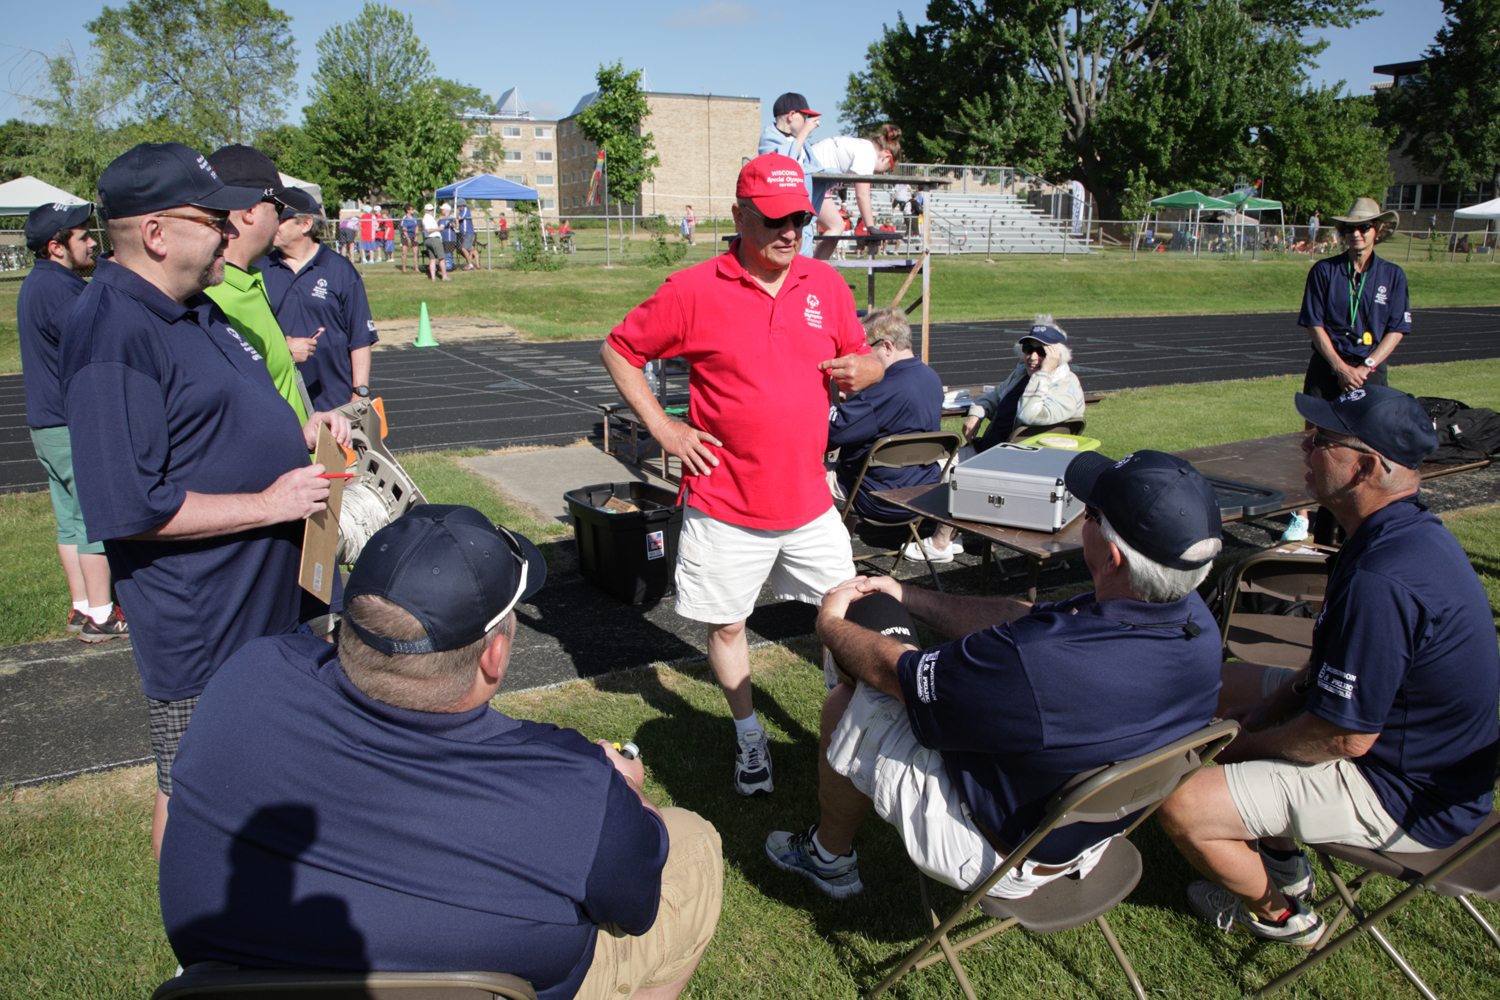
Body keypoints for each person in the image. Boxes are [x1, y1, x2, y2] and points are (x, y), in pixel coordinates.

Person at [159, 505, 723, 1000]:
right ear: (493, 657)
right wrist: (627, 797)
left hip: (243, 982)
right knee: (694, 843)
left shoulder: (245, 680)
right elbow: (632, 905)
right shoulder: (577, 789)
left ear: (348, 626)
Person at [61, 142, 352, 856]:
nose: (230, 231)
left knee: (267, 771)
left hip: (269, 602)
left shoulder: (194, 308)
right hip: (205, 625)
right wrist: (270, 504)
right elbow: (129, 506)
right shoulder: (114, 333)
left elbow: (224, 417)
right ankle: (199, 947)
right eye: (213, 219)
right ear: (155, 234)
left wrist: (307, 429)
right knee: (194, 783)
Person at [766, 449, 1224, 899]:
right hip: (1088, 831)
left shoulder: (1037, 663)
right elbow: (1029, 616)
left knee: (849, 704)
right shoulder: (1196, 624)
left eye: (1091, 513)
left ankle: (828, 857)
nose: (1083, 516)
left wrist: (829, 625)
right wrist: (909, 596)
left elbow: (897, 672)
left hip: (1002, 853)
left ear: (1112, 557)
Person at [1159, 386, 1498, 947]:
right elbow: (1333, 668)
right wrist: (1269, 707)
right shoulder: (1396, 532)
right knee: (1214, 682)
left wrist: (1243, 745)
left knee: (1183, 799)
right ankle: (1285, 861)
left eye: (1321, 440)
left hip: (1406, 795)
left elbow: (1344, 738)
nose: (1304, 447)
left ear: (1364, 466)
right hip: (1404, 751)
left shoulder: (1382, 579)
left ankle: (1279, 914)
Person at [601, 153, 883, 796]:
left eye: (801, 220)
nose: (790, 232)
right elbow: (619, 349)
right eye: (775, 219)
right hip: (726, 503)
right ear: (739, 217)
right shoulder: (695, 289)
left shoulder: (825, 284)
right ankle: (749, 735)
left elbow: (859, 357)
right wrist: (666, 429)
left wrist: (871, 369)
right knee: (727, 624)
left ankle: (850, 726)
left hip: (810, 501)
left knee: (848, 619)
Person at [17, 201, 126, 641]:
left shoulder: (38, 283)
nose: (91, 242)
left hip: (46, 423)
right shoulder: (61, 290)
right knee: (93, 519)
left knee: (69, 521)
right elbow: (98, 335)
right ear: (55, 246)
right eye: (81, 236)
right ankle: (102, 614)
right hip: (68, 422)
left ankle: (82, 607)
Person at [912, 318, 1086, 561]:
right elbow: (992, 397)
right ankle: (955, 531)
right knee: (929, 466)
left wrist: (1043, 373)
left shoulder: (1066, 388)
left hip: (1014, 464)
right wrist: (977, 413)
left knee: (944, 474)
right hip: (993, 452)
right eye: (1028, 349)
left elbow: (1029, 413)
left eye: (1041, 351)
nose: (1032, 357)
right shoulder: (1021, 374)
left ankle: (940, 543)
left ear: (1057, 355)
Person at [200, 145, 311, 426]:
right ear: (251, 210)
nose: (281, 218)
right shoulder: (211, 297)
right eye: (279, 208)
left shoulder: (247, 280)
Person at [260, 188, 380, 411]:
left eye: (280, 219)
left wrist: (359, 392)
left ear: (305, 224)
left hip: (335, 400)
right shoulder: (259, 268)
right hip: (277, 399)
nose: (271, 224)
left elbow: (360, 337)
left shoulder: (341, 270)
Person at [827, 307, 944, 524]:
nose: (861, 359)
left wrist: (824, 401)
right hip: (921, 493)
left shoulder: (884, 391)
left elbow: (833, 431)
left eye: (865, 350)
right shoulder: (931, 377)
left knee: (798, 477)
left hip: (876, 498)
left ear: (887, 346)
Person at [1298, 197, 1409, 401]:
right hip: (1327, 367)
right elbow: (1314, 323)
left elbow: (1397, 328)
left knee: (1368, 432)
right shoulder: (1323, 271)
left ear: (1378, 229)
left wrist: (1365, 368)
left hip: (1370, 369)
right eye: (1350, 229)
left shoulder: (1393, 275)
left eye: (1364, 228)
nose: (1356, 234)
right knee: (1317, 432)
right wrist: (1340, 368)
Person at [807, 124, 901, 261]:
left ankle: (815, 270)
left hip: (813, 181)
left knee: (836, 225)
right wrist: (871, 227)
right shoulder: (868, 153)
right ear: (887, 156)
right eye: (888, 168)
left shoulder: (863, 147)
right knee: (834, 225)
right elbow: (862, 195)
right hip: (808, 180)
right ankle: (813, 271)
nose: (883, 172)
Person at [758, 93, 824, 256]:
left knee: (836, 224)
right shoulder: (769, 137)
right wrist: (805, 132)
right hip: (784, 212)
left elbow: (813, 166)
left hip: (803, 206)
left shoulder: (801, 141)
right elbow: (782, 165)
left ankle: (822, 273)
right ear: (791, 115)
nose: (806, 121)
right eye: (804, 117)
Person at [421, 202, 448, 281]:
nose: (431, 211)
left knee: (432, 259)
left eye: (432, 209)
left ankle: (433, 278)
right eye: (429, 210)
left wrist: (438, 219)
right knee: (441, 258)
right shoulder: (427, 218)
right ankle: (444, 276)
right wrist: (439, 229)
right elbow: (428, 229)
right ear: (426, 210)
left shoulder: (428, 217)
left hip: (428, 239)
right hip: (433, 239)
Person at [456, 199, 478, 270]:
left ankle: (470, 264)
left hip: (467, 233)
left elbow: (459, 217)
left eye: (458, 206)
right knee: (470, 249)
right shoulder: (462, 211)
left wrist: (457, 213)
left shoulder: (465, 209)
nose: (457, 207)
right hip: (463, 233)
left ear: (461, 205)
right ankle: (473, 264)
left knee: (463, 248)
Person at [398, 205, 420, 272]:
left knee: (415, 252)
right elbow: (404, 229)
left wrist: (416, 236)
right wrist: (408, 239)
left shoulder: (414, 217)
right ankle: (403, 268)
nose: (413, 210)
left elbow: (416, 227)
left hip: (413, 235)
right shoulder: (405, 218)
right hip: (405, 236)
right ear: (408, 210)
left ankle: (416, 268)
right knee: (404, 252)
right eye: (412, 209)